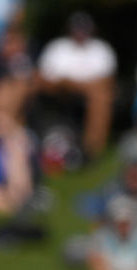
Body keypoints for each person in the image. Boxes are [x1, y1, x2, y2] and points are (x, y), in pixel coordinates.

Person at [35, 11, 117, 161]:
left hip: (91, 93)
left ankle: (92, 151)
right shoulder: (57, 47)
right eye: (77, 28)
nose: (80, 33)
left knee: (102, 97)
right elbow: (42, 78)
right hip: (59, 92)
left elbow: (107, 81)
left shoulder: (101, 49)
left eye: (84, 28)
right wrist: (69, 84)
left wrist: (79, 85)